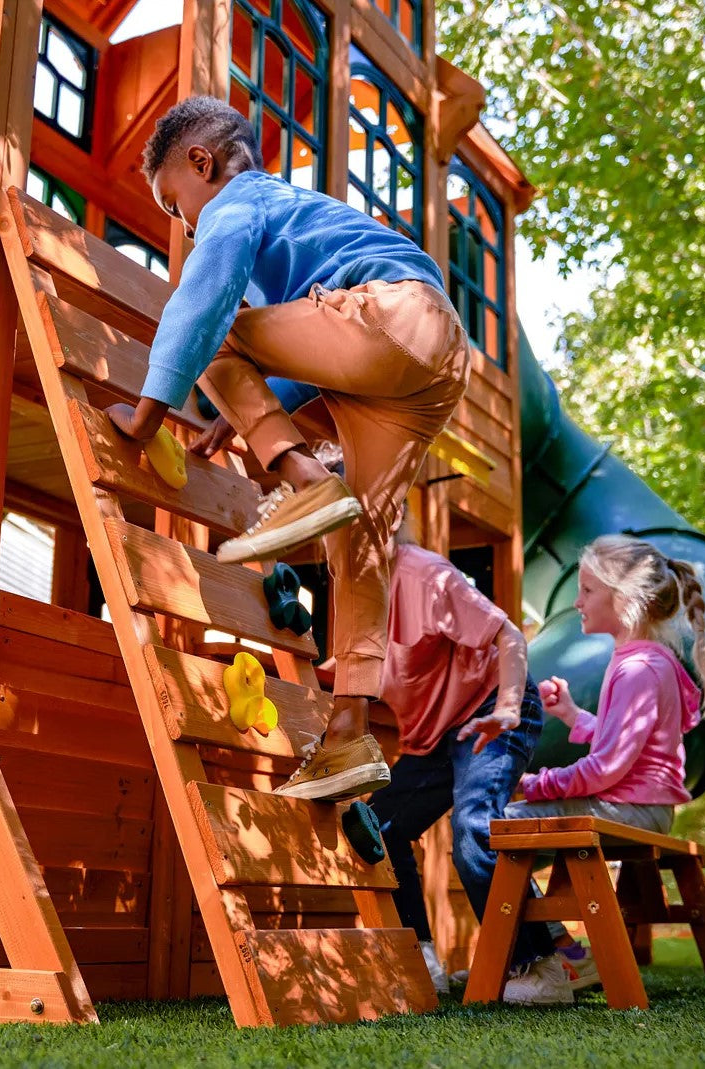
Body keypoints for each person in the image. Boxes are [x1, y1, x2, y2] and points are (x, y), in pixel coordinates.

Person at [105, 96, 470, 801]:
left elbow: (206, 300)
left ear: (201, 163)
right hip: (432, 356)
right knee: (360, 537)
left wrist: (148, 415)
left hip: (388, 316)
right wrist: (239, 415)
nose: (184, 226)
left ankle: (301, 474)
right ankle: (349, 730)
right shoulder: (304, 215)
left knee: (214, 323)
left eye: (177, 205)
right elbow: (327, 342)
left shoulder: (241, 201)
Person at [500, 533, 705, 1004]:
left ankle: (557, 956)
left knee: (501, 825)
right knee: (516, 821)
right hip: (644, 805)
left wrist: (534, 784)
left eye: (588, 590)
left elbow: (606, 769)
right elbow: (625, 742)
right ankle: (563, 953)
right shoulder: (646, 660)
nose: (576, 601)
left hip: (631, 808)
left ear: (625, 600)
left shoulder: (638, 668)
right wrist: (573, 716)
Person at [365, 516, 562, 998]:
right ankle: (422, 958)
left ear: (384, 519)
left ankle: (538, 967)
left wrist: (511, 708)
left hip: (488, 708)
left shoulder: (426, 575)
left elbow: (509, 636)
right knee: (377, 827)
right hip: (432, 736)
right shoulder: (356, 590)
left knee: (475, 826)